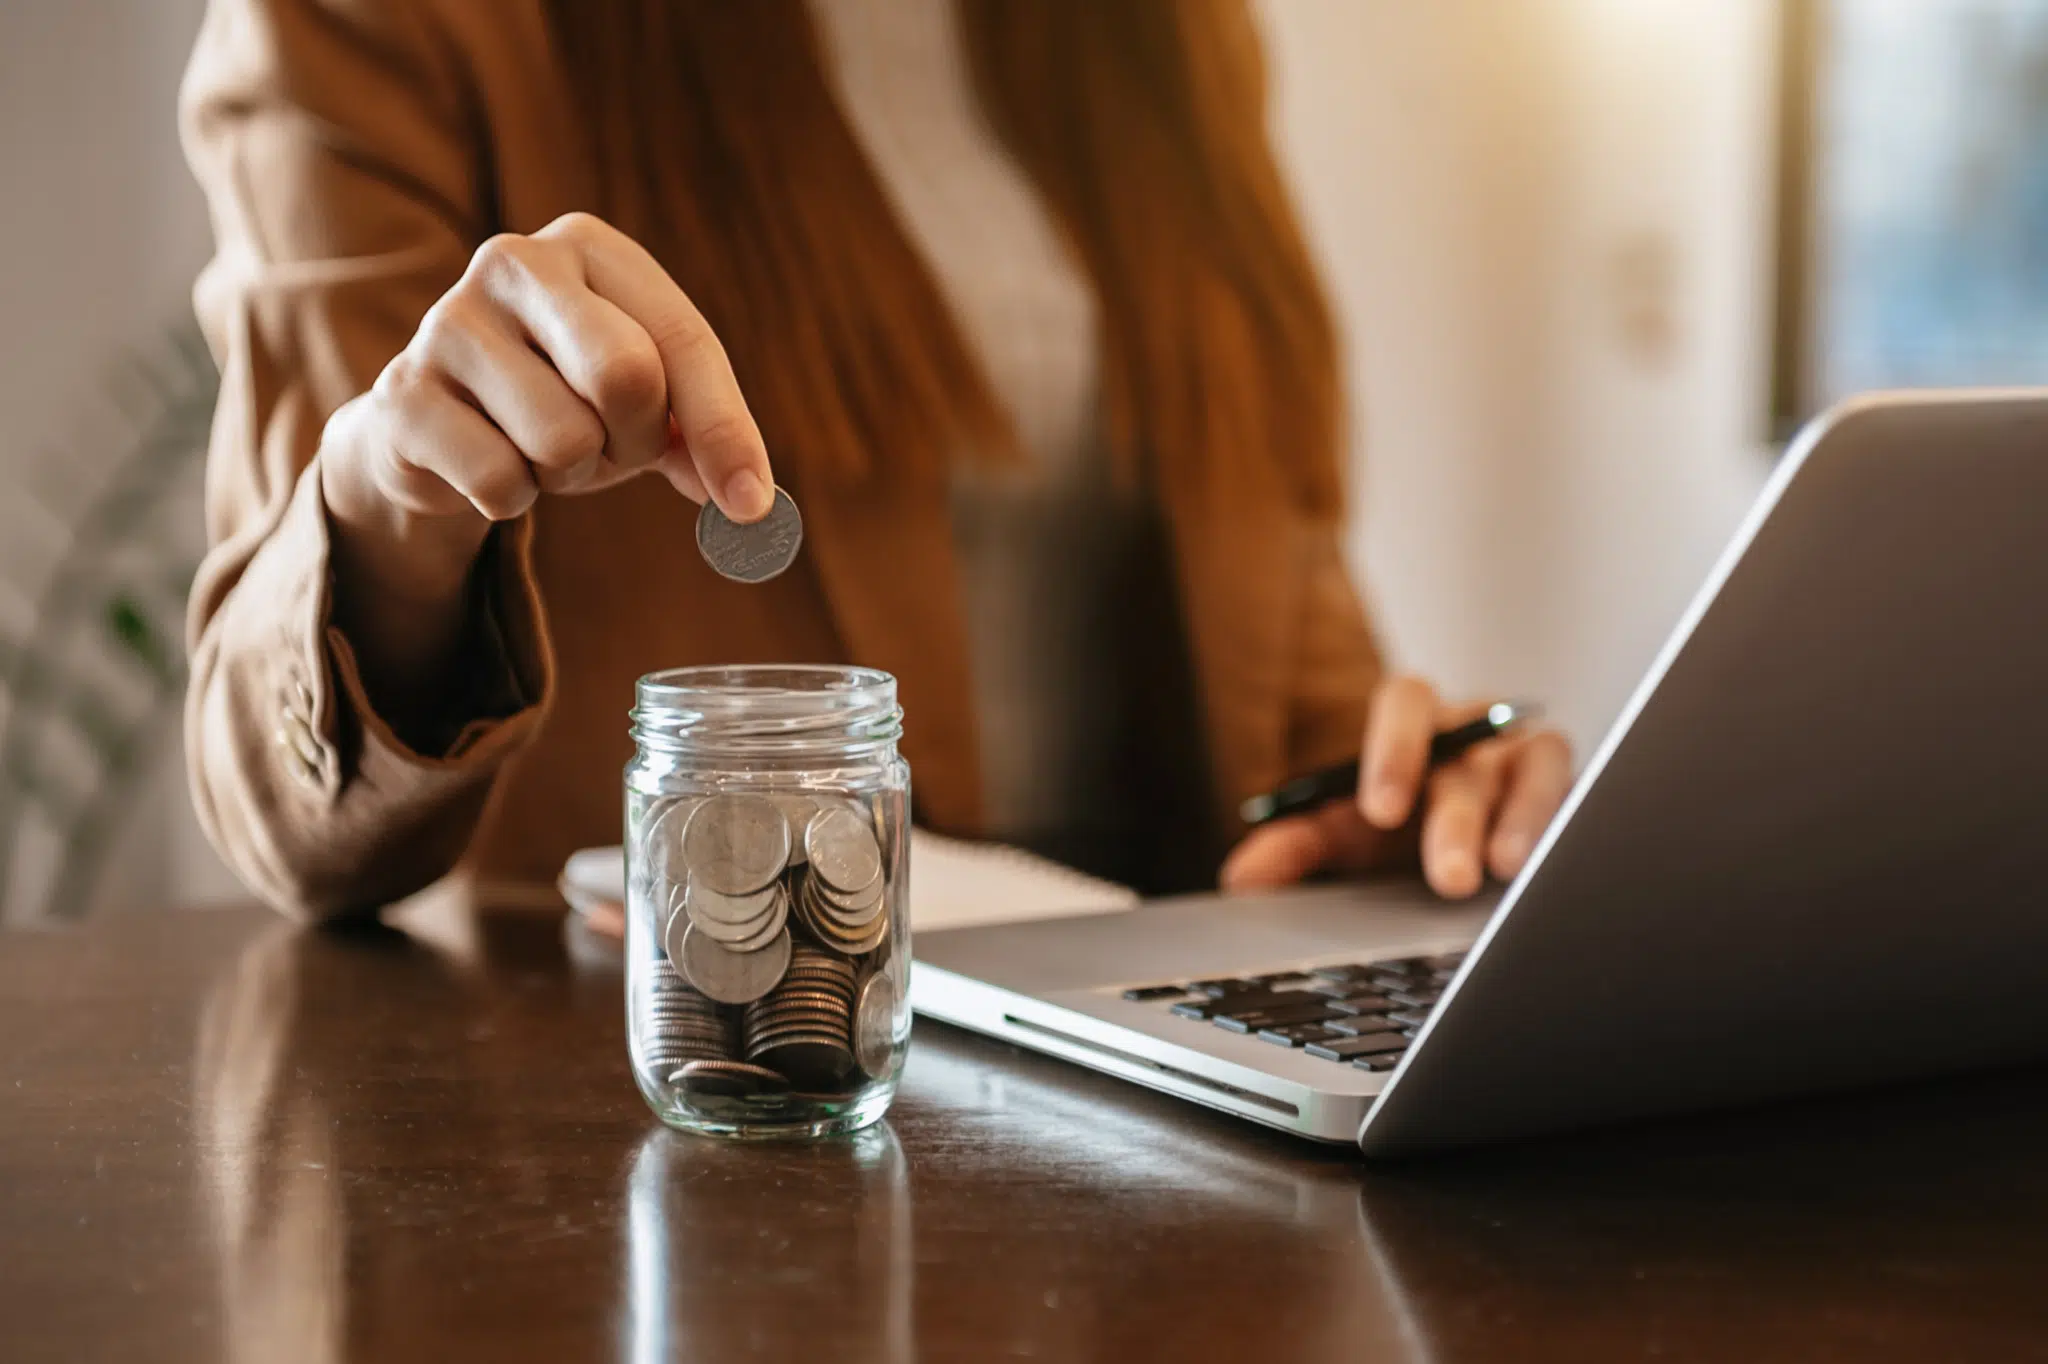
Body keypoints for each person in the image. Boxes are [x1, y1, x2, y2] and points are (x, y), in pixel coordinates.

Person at [179, 0, 1572, 920]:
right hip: (699, 1102)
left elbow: (1280, 631)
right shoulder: (392, 24)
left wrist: (1401, 804)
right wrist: (395, 501)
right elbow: (283, 806)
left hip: (1151, 1103)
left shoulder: (1174, 35)